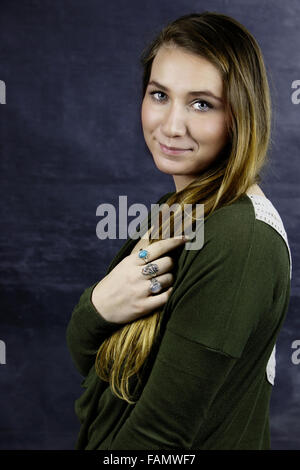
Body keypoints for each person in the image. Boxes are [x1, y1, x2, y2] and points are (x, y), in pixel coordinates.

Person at [66, 11, 292, 450]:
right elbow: (86, 358)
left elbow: (157, 440)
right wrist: (100, 304)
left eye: (201, 103)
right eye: (159, 95)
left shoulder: (240, 238)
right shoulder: (178, 214)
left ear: (241, 115)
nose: (170, 126)